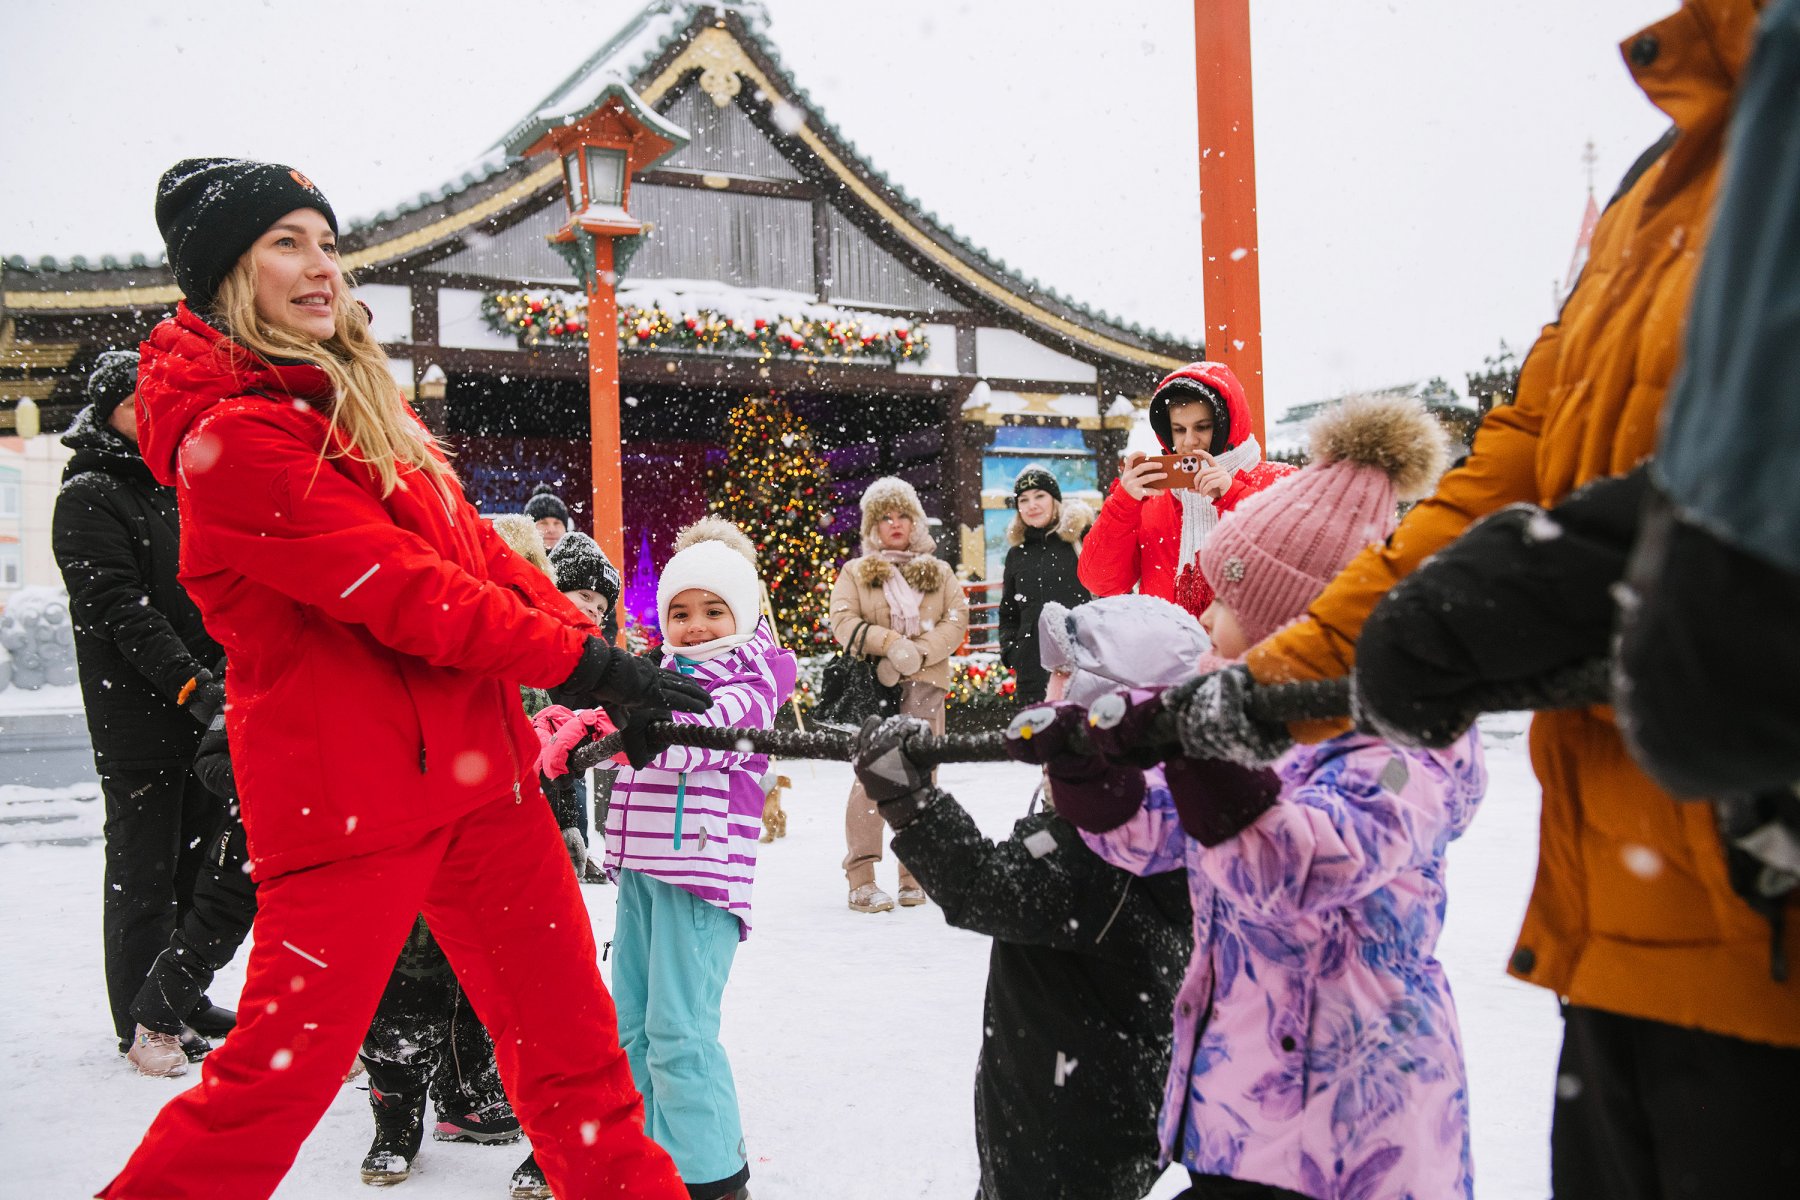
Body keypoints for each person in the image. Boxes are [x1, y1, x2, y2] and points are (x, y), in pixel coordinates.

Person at [1176, 5, 1800, 1193]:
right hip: (1627, 931)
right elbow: (1519, 455)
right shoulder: (1664, 176)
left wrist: (1635, 553)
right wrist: (1265, 692)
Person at [99, 156, 711, 1200]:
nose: (320, 266)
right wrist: (585, 660)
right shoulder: (233, 440)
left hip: (482, 778)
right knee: (269, 1090)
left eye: (327, 243)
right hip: (349, 804)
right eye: (285, 243)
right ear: (225, 277)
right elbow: (413, 596)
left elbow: (480, 552)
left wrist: (602, 670)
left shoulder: (362, 407)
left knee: (578, 1065)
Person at [1022, 396, 1479, 1200]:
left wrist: (1199, 751)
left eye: (1225, 604)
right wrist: (1097, 778)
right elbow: (1162, 832)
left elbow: (1298, 868)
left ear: (1288, 625)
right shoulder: (1239, 701)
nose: (1205, 619)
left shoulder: (1408, 741)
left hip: (1358, 1124)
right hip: (1238, 1107)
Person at [850, 593, 1196, 1200]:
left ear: (1113, 700)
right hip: (1087, 1088)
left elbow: (986, 886)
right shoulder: (1142, 804)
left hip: (1072, 1118)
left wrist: (909, 802)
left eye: (1065, 673)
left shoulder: (1118, 838)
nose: (1048, 685)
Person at [587, 516, 796, 1200]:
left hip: (702, 880)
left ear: (741, 612)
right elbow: (613, 723)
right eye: (681, 612)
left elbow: (716, 731)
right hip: (645, 871)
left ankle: (713, 1175)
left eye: (714, 610)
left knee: (680, 1030)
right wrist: (583, 726)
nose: (697, 625)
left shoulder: (756, 675)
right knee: (632, 1028)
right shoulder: (654, 673)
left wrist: (644, 729)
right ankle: (650, 1160)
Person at [51, 348, 235, 1067]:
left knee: (198, 866)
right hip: (142, 719)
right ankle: (139, 1014)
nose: (151, 415)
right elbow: (118, 611)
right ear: (108, 413)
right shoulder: (89, 494)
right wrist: (192, 684)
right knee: (143, 871)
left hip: (208, 711)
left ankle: (179, 997)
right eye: (137, 403)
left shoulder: (181, 486)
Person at [828, 476, 969, 913]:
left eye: (902, 515)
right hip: (877, 689)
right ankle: (862, 876)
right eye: (884, 517)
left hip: (927, 686)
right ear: (873, 525)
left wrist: (917, 653)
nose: (894, 524)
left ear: (916, 521)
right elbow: (842, 621)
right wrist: (888, 645)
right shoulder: (856, 571)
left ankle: (914, 874)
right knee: (872, 778)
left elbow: (956, 619)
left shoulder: (939, 571)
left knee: (921, 779)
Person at [1077, 361, 1293, 621]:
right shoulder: (1151, 498)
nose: (1189, 441)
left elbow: (1307, 558)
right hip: (1169, 656)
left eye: (1202, 427)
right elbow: (1100, 582)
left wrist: (1232, 496)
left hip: (1254, 655)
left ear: (1227, 425)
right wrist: (1123, 503)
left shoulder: (1281, 481)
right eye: (1179, 430)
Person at [121, 681, 258, 1078]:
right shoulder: (250, 667)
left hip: (333, 832)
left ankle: (318, 1037)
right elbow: (211, 760)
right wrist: (263, 778)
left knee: (317, 941)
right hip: (249, 833)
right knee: (209, 932)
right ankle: (152, 1027)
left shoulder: (353, 663)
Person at [549, 529, 624, 882]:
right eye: (584, 596)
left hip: (561, 772)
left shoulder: (587, 654)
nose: (591, 612)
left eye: (600, 609)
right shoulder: (522, 639)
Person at [995, 464, 1092, 705]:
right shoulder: (1017, 554)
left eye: (1040, 496)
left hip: (1082, 667)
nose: (1032, 505)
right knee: (1034, 740)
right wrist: (1012, 652)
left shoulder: (1081, 541)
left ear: (1055, 500)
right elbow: (1009, 613)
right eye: (1024, 500)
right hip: (1032, 673)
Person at [525, 484, 571, 553]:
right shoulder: (514, 562)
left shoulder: (583, 561)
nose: (551, 530)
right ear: (529, 528)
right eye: (543, 523)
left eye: (557, 523)